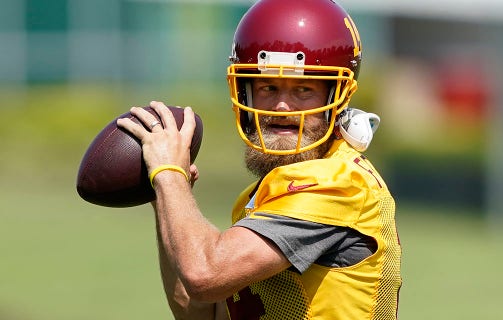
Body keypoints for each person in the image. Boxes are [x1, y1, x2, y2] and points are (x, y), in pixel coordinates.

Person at [117, 0, 402, 319]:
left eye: (304, 89)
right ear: (244, 92)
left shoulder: (336, 185)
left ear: (336, 99)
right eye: (268, 87)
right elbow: (198, 310)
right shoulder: (268, 193)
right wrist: (166, 197)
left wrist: (169, 173)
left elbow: (205, 276)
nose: (282, 106)